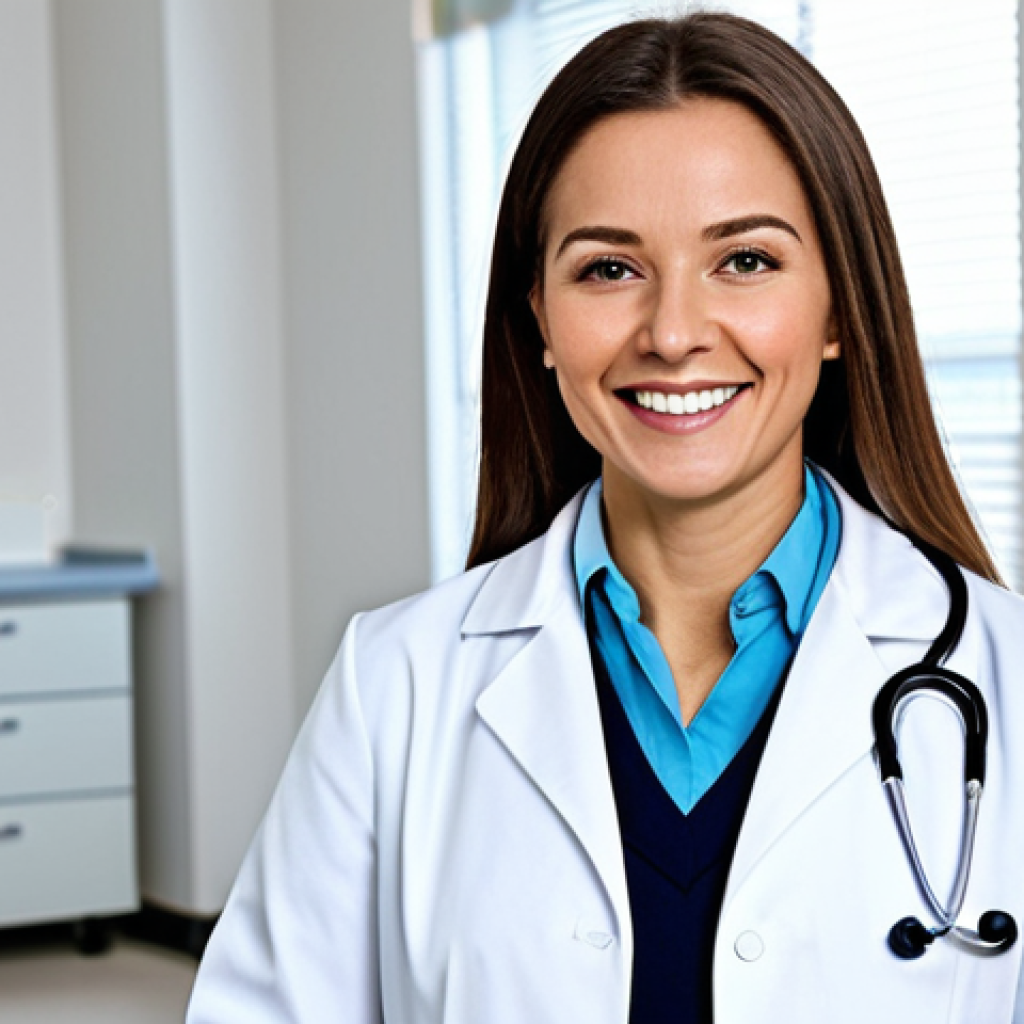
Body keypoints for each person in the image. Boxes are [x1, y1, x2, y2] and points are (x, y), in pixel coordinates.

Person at [186, 12, 1024, 1024]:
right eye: (608, 269)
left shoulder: (1007, 676)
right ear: (540, 317)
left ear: (840, 309)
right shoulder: (394, 687)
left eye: (744, 260)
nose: (672, 333)